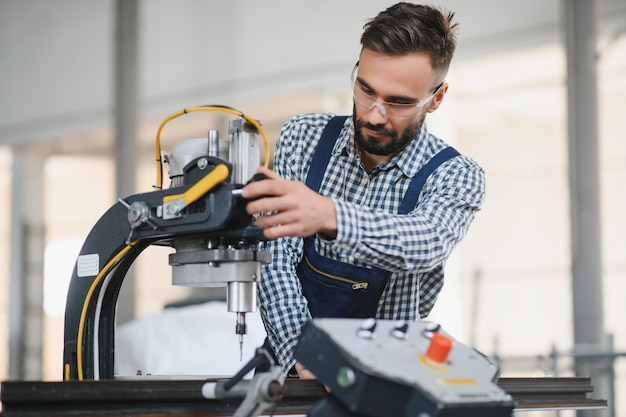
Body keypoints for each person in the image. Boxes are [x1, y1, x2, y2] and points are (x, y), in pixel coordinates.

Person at [241, 2, 485, 379]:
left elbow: (425, 242)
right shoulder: (303, 138)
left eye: (398, 102)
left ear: (436, 98)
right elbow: (275, 260)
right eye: (365, 90)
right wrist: (307, 354)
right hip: (291, 370)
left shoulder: (455, 175)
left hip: (385, 378)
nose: (373, 114)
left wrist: (329, 216)